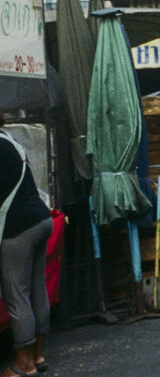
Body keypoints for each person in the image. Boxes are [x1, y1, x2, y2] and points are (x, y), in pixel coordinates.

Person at [0, 115, 52, 377]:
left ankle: (24, 364)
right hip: (41, 219)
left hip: (18, 228)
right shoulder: (9, 141)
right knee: (37, 289)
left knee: (17, 294)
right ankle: (38, 355)